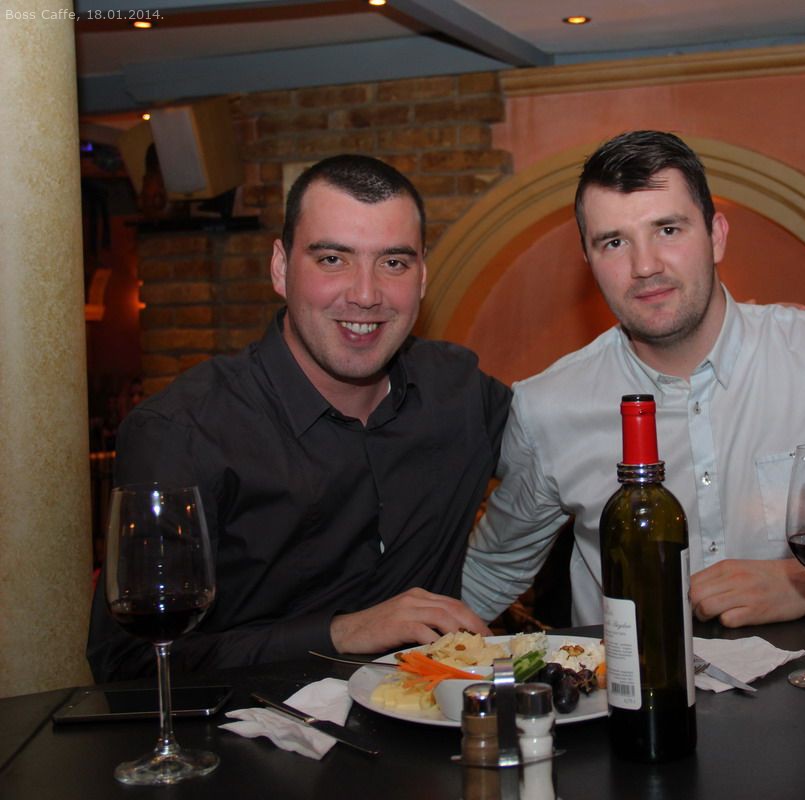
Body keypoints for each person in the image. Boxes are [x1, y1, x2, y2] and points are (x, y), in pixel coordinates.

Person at [462, 130, 805, 629]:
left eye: (668, 229)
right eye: (614, 242)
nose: (645, 265)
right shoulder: (548, 407)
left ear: (716, 236)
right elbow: (487, 576)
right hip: (632, 703)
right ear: (588, 261)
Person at [88, 155, 511, 682]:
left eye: (393, 263)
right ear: (281, 268)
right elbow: (128, 666)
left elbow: (566, 435)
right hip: (245, 733)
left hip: (432, 726)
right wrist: (339, 634)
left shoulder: (458, 392)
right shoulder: (183, 433)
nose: (365, 294)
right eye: (333, 259)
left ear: (422, 276)